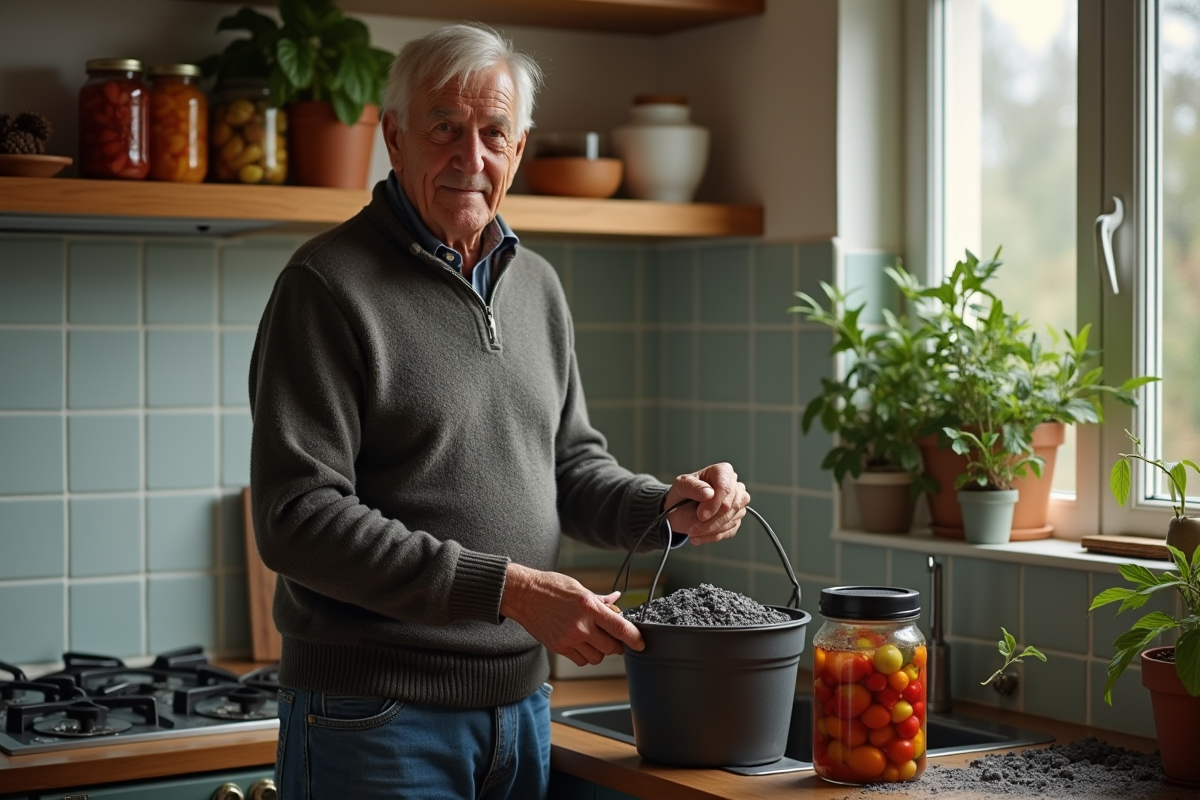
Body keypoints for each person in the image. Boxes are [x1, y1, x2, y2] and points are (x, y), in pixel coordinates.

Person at [248, 21, 750, 800]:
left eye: (492, 133)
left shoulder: (538, 287)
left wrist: (666, 509)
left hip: (521, 712)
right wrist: (511, 590)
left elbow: (571, 467)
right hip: (376, 717)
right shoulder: (326, 285)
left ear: (518, 150)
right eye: (444, 128)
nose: (469, 158)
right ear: (396, 138)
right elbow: (298, 518)